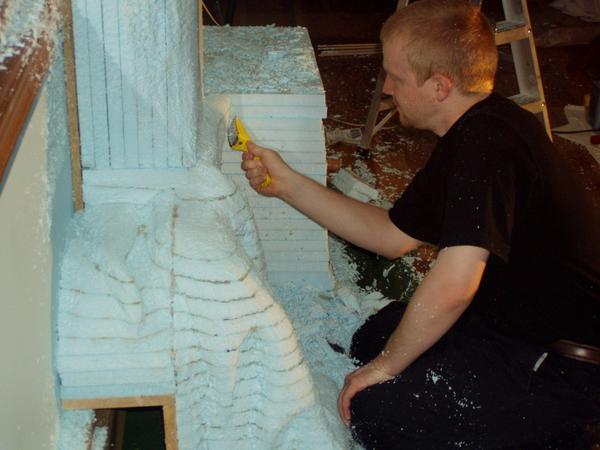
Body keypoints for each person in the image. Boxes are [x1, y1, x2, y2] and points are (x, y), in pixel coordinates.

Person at [241, 0, 600, 447]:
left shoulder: (486, 146)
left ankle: (561, 432)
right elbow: (391, 236)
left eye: (396, 76)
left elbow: (455, 284)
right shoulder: (475, 126)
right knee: (373, 337)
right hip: (507, 320)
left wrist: (386, 367)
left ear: (439, 86)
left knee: (375, 413)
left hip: (564, 362)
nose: (387, 87)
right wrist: (286, 184)